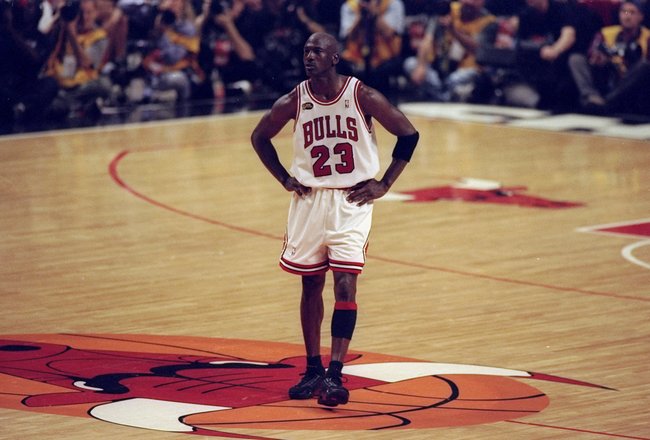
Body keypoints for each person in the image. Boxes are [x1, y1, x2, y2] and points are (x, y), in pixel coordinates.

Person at [251, 32, 419, 407]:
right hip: (309, 201)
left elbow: (408, 134)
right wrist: (283, 177)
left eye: (317, 51)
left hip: (351, 200)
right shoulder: (295, 100)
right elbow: (259, 137)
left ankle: (335, 374)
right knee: (310, 286)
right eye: (306, 51)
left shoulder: (362, 96)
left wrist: (386, 182)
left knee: (345, 286)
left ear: (335, 58)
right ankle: (312, 368)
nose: (309, 57)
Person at [403, 0, 496, 102]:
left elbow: (478, 50)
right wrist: (421, 65)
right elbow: (428, 39)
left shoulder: (489, 22)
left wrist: (453, 31)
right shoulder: (446, 10)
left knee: (457, 79)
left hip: (466, 70)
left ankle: (439, 99)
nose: (470, 3)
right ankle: (443, 98)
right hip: (439, 66)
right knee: (410, 64)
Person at [568, 0, 650, 115]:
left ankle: (607, 103)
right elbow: (592, 52)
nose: (627, 17)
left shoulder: (647, 36)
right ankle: (592, 97)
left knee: (645, 66)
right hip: (609, 74)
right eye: (624, 12)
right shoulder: (606, 33)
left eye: (632, 13)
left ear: (641, 16)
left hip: (631, 80)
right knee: (576, 59)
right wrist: (599, 58)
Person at [514, 0, 578, 110]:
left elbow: (569, 36)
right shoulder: (525, 14)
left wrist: (555, 50)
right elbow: (521, 42)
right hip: (536, 58)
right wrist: (538, 49)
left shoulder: (561, 9)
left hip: (561, 55)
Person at [338, 0, 406, 97]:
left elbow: (389, 33)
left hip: (385, 58)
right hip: (356, 57)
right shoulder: (349, 6)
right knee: (340, 64)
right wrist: (360, 17)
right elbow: (348, 37)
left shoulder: (393, 4)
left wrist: (374, 14)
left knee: (382, 72)